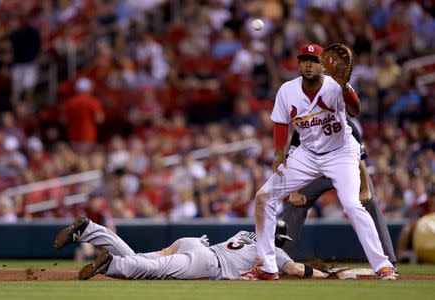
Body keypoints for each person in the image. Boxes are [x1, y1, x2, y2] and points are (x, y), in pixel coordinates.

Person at [239, 44, 397, 281]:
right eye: (304, 60)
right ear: (299, 64)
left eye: (313, 60)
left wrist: (346, 89)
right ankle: (267, 266)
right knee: (264, 197)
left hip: (341, 153)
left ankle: (383, 265)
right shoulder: (287, 90)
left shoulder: (336, 86)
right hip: (307, 154)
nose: (308, 64)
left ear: (323, 65)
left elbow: (355, 110)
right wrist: (279, 152)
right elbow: (281, 123)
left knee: (353, 206)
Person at [53, 217, 329, 280]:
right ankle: (112, 265)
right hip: (207, 261)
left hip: (195, 243)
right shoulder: (275, 252)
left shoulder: (246, 233)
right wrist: (323, 276)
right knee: (152, 270)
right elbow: (293, 268)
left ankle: (89, 229)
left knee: (140, 257)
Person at [281, 119, 397, 266]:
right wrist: (294, 191)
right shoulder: (303, 127)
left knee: (370, 202)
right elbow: (291, 159)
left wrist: (365, 189)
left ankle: (388, 263)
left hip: (346, 169)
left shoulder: (346, 124)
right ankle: (281, 261)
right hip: (316, 173)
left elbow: (360, 159)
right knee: (294, 205)